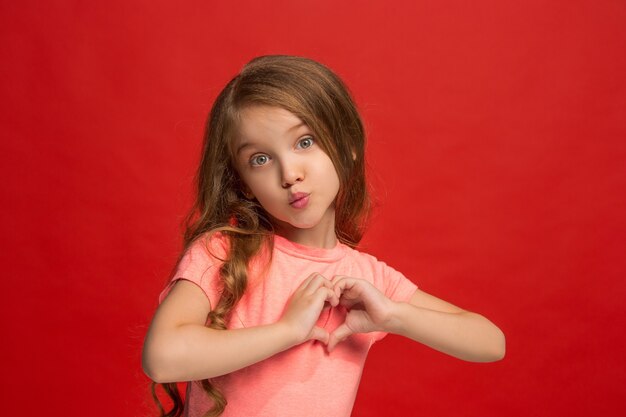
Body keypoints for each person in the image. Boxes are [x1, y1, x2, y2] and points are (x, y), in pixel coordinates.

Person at [142, 55, 505, 417]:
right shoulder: (222, 253)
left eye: (304, 142)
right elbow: (162, 358)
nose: (290, 174)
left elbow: (490, 342)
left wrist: (394, 316)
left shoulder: (367, 278)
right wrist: (287, 331)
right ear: (245, 185)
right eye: (260, 159)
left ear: (347, 147)